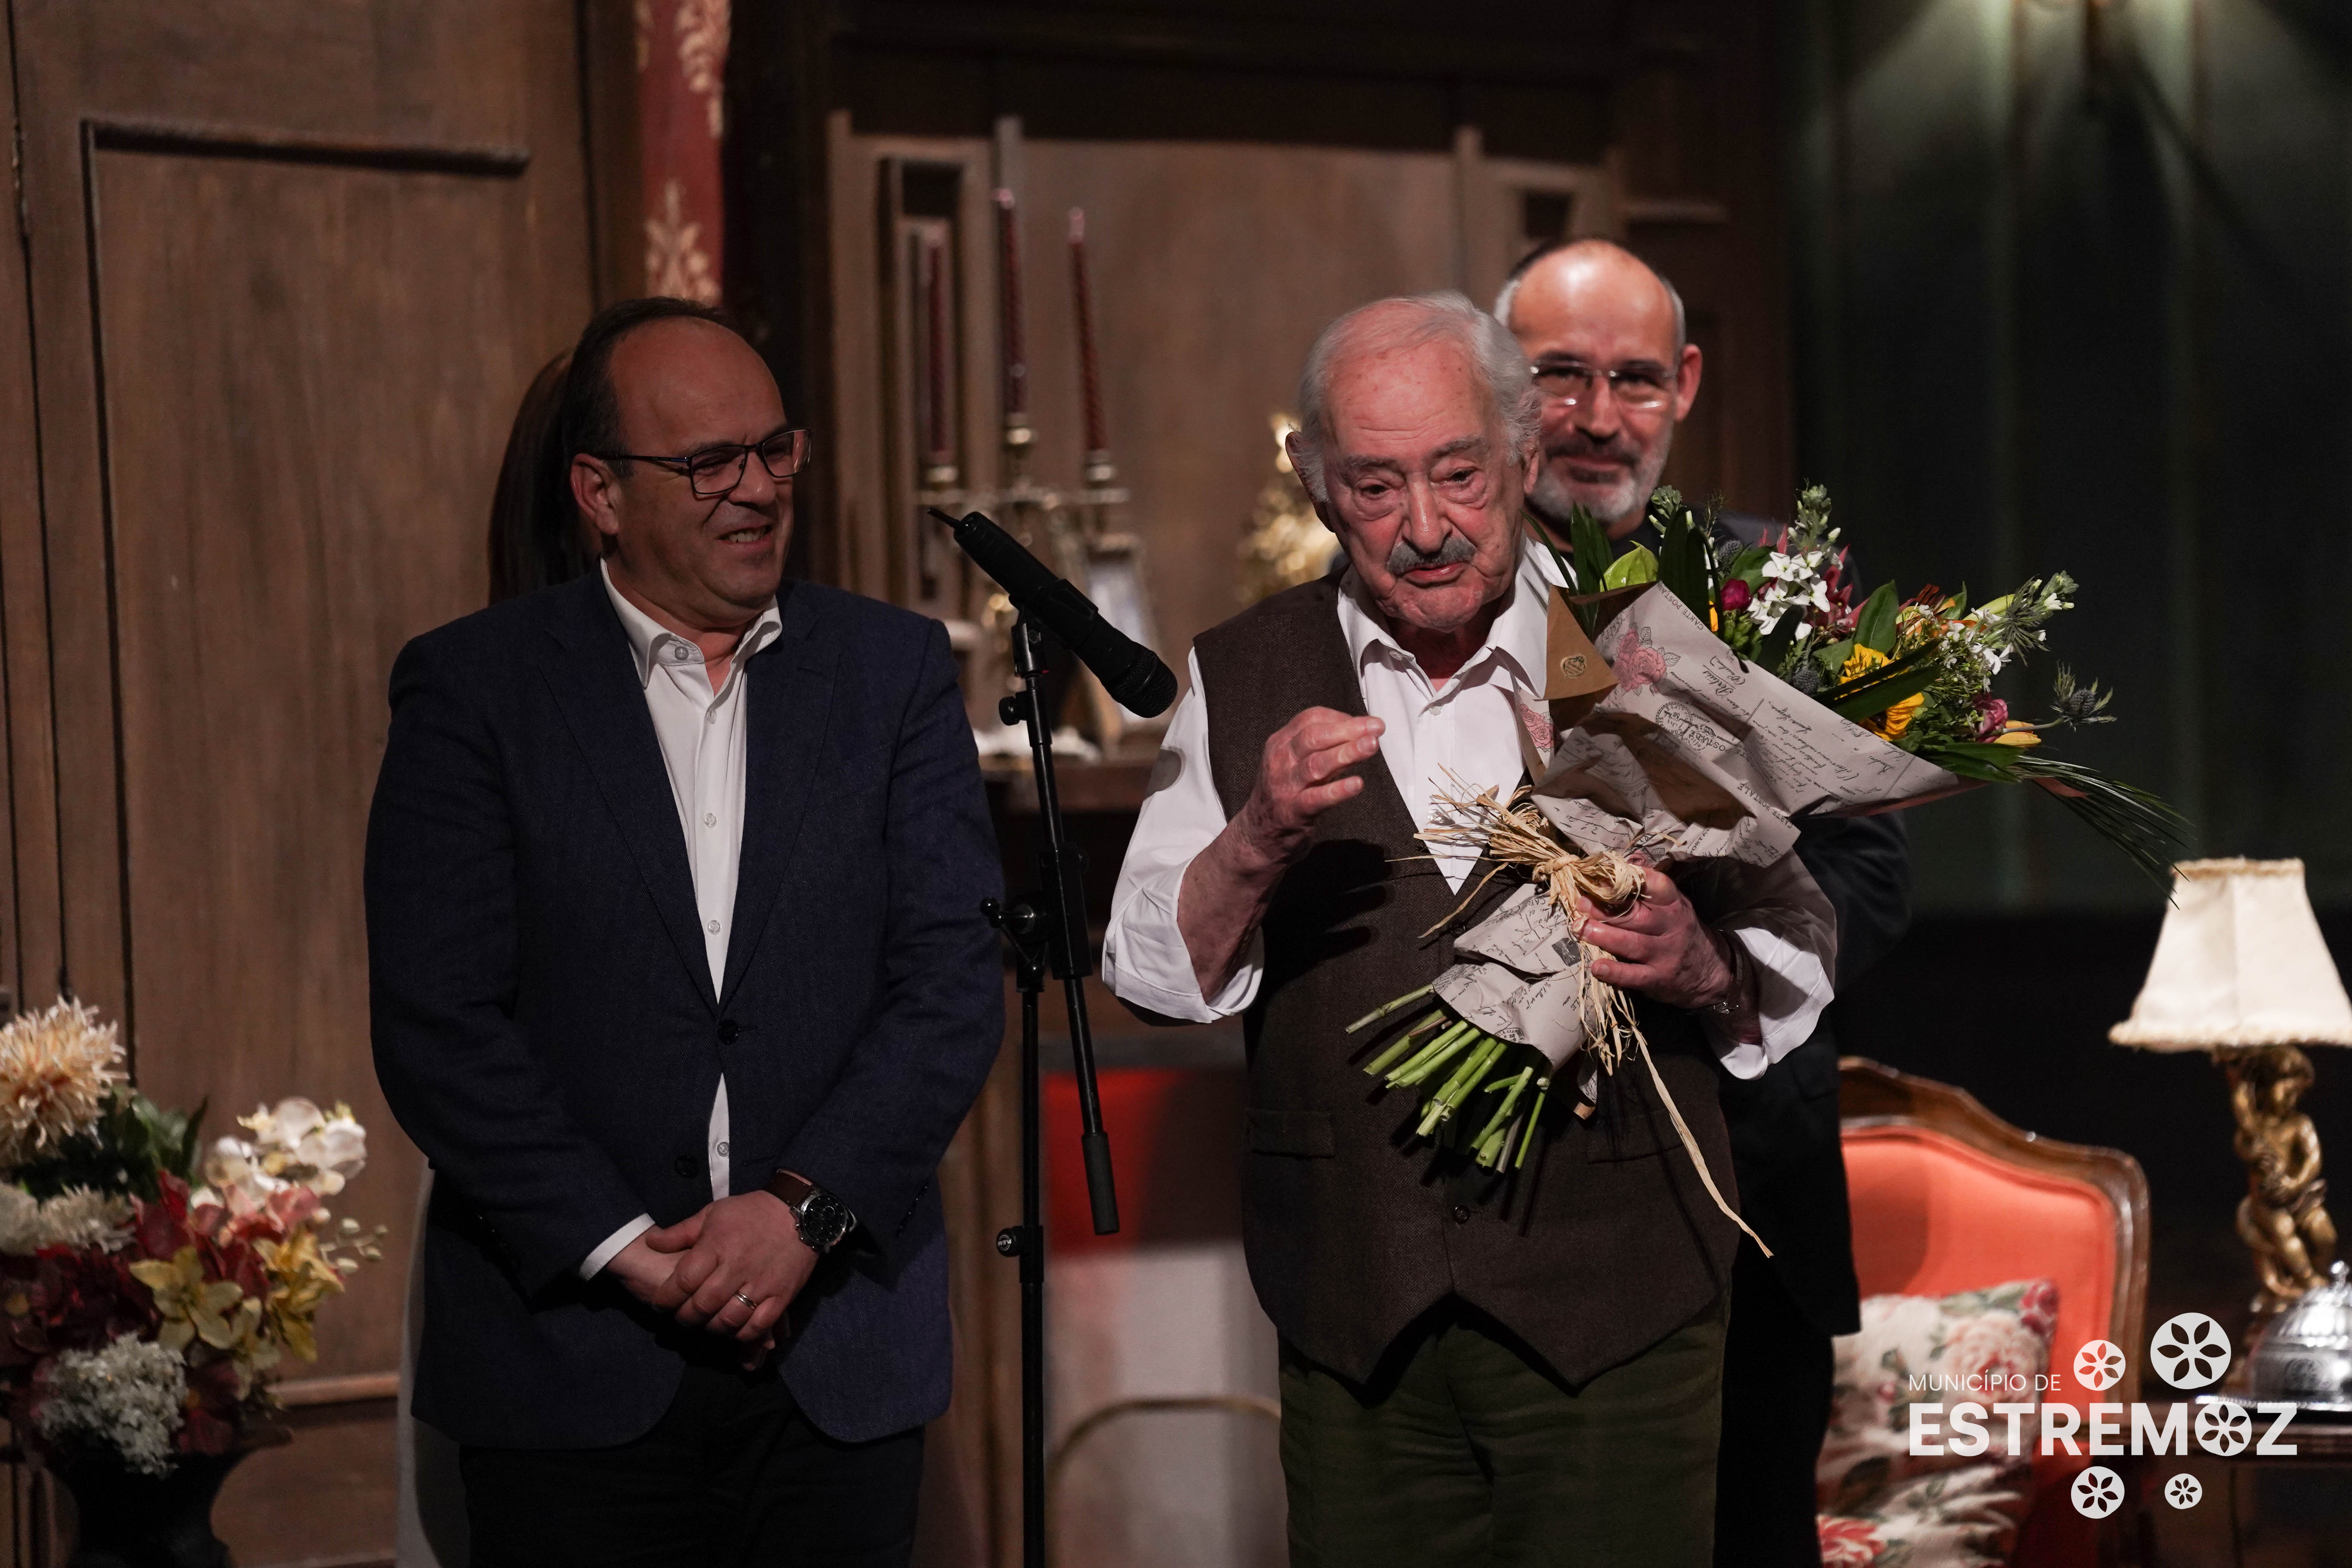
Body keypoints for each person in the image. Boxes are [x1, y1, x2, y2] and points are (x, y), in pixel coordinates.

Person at [1101, 292, 1837, 1566]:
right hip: (1356, 1319)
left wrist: (1701, 965)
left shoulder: (1639, 646)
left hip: (1621, 1310)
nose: (1428, 527)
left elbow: (1793, 942)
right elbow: (1151, 971)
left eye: (1459, 475)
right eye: (1376, 487)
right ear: (1315, 483)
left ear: (1523, 453)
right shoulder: (1243, 671)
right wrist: (1257, 836)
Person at [368, 296, 1004, 1568]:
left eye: (774, 450)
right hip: (573, 1364)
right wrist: (629, 1251)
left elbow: (950, 980)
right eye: (710, 462)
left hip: (834, 1355)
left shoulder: (890, 672)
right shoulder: (477, 688)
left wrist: (799, 1214)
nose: (757, 488)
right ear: (600, 492)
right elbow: (440, 1022)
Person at [1496, 239, 1914, 1567]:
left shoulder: (1782, 586)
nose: (1598, 416)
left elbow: (1872, 876)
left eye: (1633, 378)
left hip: (1751, 1196)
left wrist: (1716, 958)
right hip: (1506, 1202)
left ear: (1683, 383)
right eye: (1559, 375)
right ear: (1499, 379)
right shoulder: (1445, 589)